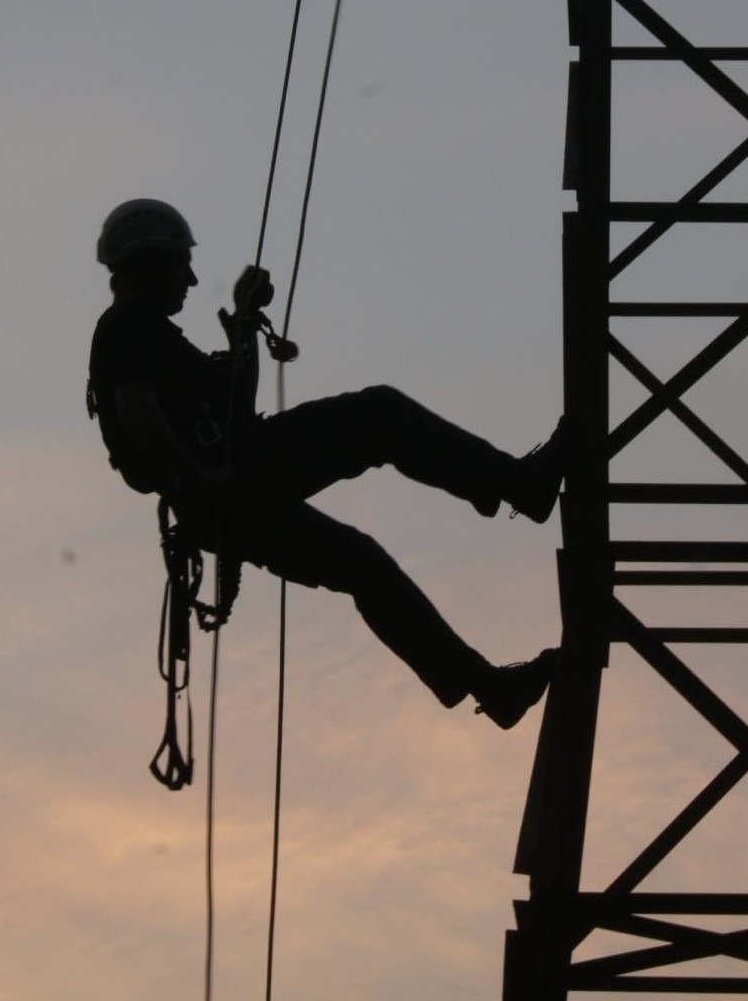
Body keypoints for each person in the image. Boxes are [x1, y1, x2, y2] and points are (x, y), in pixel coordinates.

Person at [86, 199, 565, 728]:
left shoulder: (150, 335)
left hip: (221, 498)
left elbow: (231, 411)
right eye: (180, 265)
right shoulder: (127, 327)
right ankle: (518, 485)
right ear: (149, 264)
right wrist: (200, 473)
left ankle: (487, 686)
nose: (192, 280)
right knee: (378, 415)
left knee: (360, 563)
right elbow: (136, 411)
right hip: (230, 480)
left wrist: (245, 326)